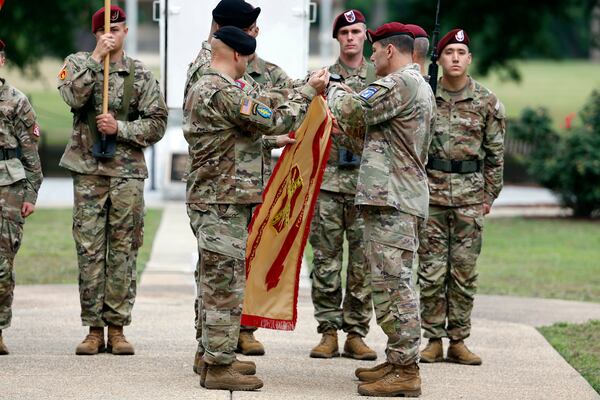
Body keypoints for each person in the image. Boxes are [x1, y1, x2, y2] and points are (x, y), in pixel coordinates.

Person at [184, 26, 328, 391]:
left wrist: (268, 143)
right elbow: (275, 117)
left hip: (221, 198)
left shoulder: (214, 87)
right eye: (247, 57)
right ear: (236, 55)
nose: (249, 64)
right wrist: (309, 92)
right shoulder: (221, 89)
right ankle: (218, 366)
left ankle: (213, 354)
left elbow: (229, 141)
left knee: (219, 279)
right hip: (221, 202)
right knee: (223, 285)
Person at [328, 22, 435, 397]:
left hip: (395, 200)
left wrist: (330, 87)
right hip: (389, 197)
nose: (371, 57)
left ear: (390, 50)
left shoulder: (402, 83)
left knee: (396, 286)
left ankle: (406, 370)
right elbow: (372, 136)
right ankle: (397, 359)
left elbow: (355, 110)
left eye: (375, 50)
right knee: (387, 285)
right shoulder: (412, 85)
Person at [57, 5, 167, 356]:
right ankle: (93, 328)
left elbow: (157, 123)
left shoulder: (140, 74)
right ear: (95, 34)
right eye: (106, 30)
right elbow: (72, 96)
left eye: (118, 29)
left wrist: (120, 128)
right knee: (89, 250)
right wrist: (96, 58)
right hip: (89, 172)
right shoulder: (78, 63)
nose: (112, 34)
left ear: (126, 32)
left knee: (123, 250)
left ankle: (117, 328)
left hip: (126, 173)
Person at [417, 28, 505, 366]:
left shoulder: (486, 101)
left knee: (464, 272)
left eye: (461, 52)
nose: (455, 57)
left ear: (469, 59)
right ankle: (433, 339)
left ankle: (459, 340)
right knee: (430, 272)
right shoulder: (426, 96)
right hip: (432, 195)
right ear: (440, 58)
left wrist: (489, 195)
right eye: (449, 52)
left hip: (470, 197)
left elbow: (496, 154)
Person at [308, 9, 377, 361]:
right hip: (328, 184)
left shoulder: (381, 78)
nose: (351, 37)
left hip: (367, 186)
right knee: (325, 262)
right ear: (337, 38)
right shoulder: (320, 78)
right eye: (345, 32)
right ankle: (328, 331)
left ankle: (356, 333)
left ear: (366, 36)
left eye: (356, 31)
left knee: (362, 264)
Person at [0, 39, 43, 355]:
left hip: (9, 187)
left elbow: (30, 152)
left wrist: (31, 192)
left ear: (1, 61)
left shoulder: (16, 101)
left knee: (2, 263)